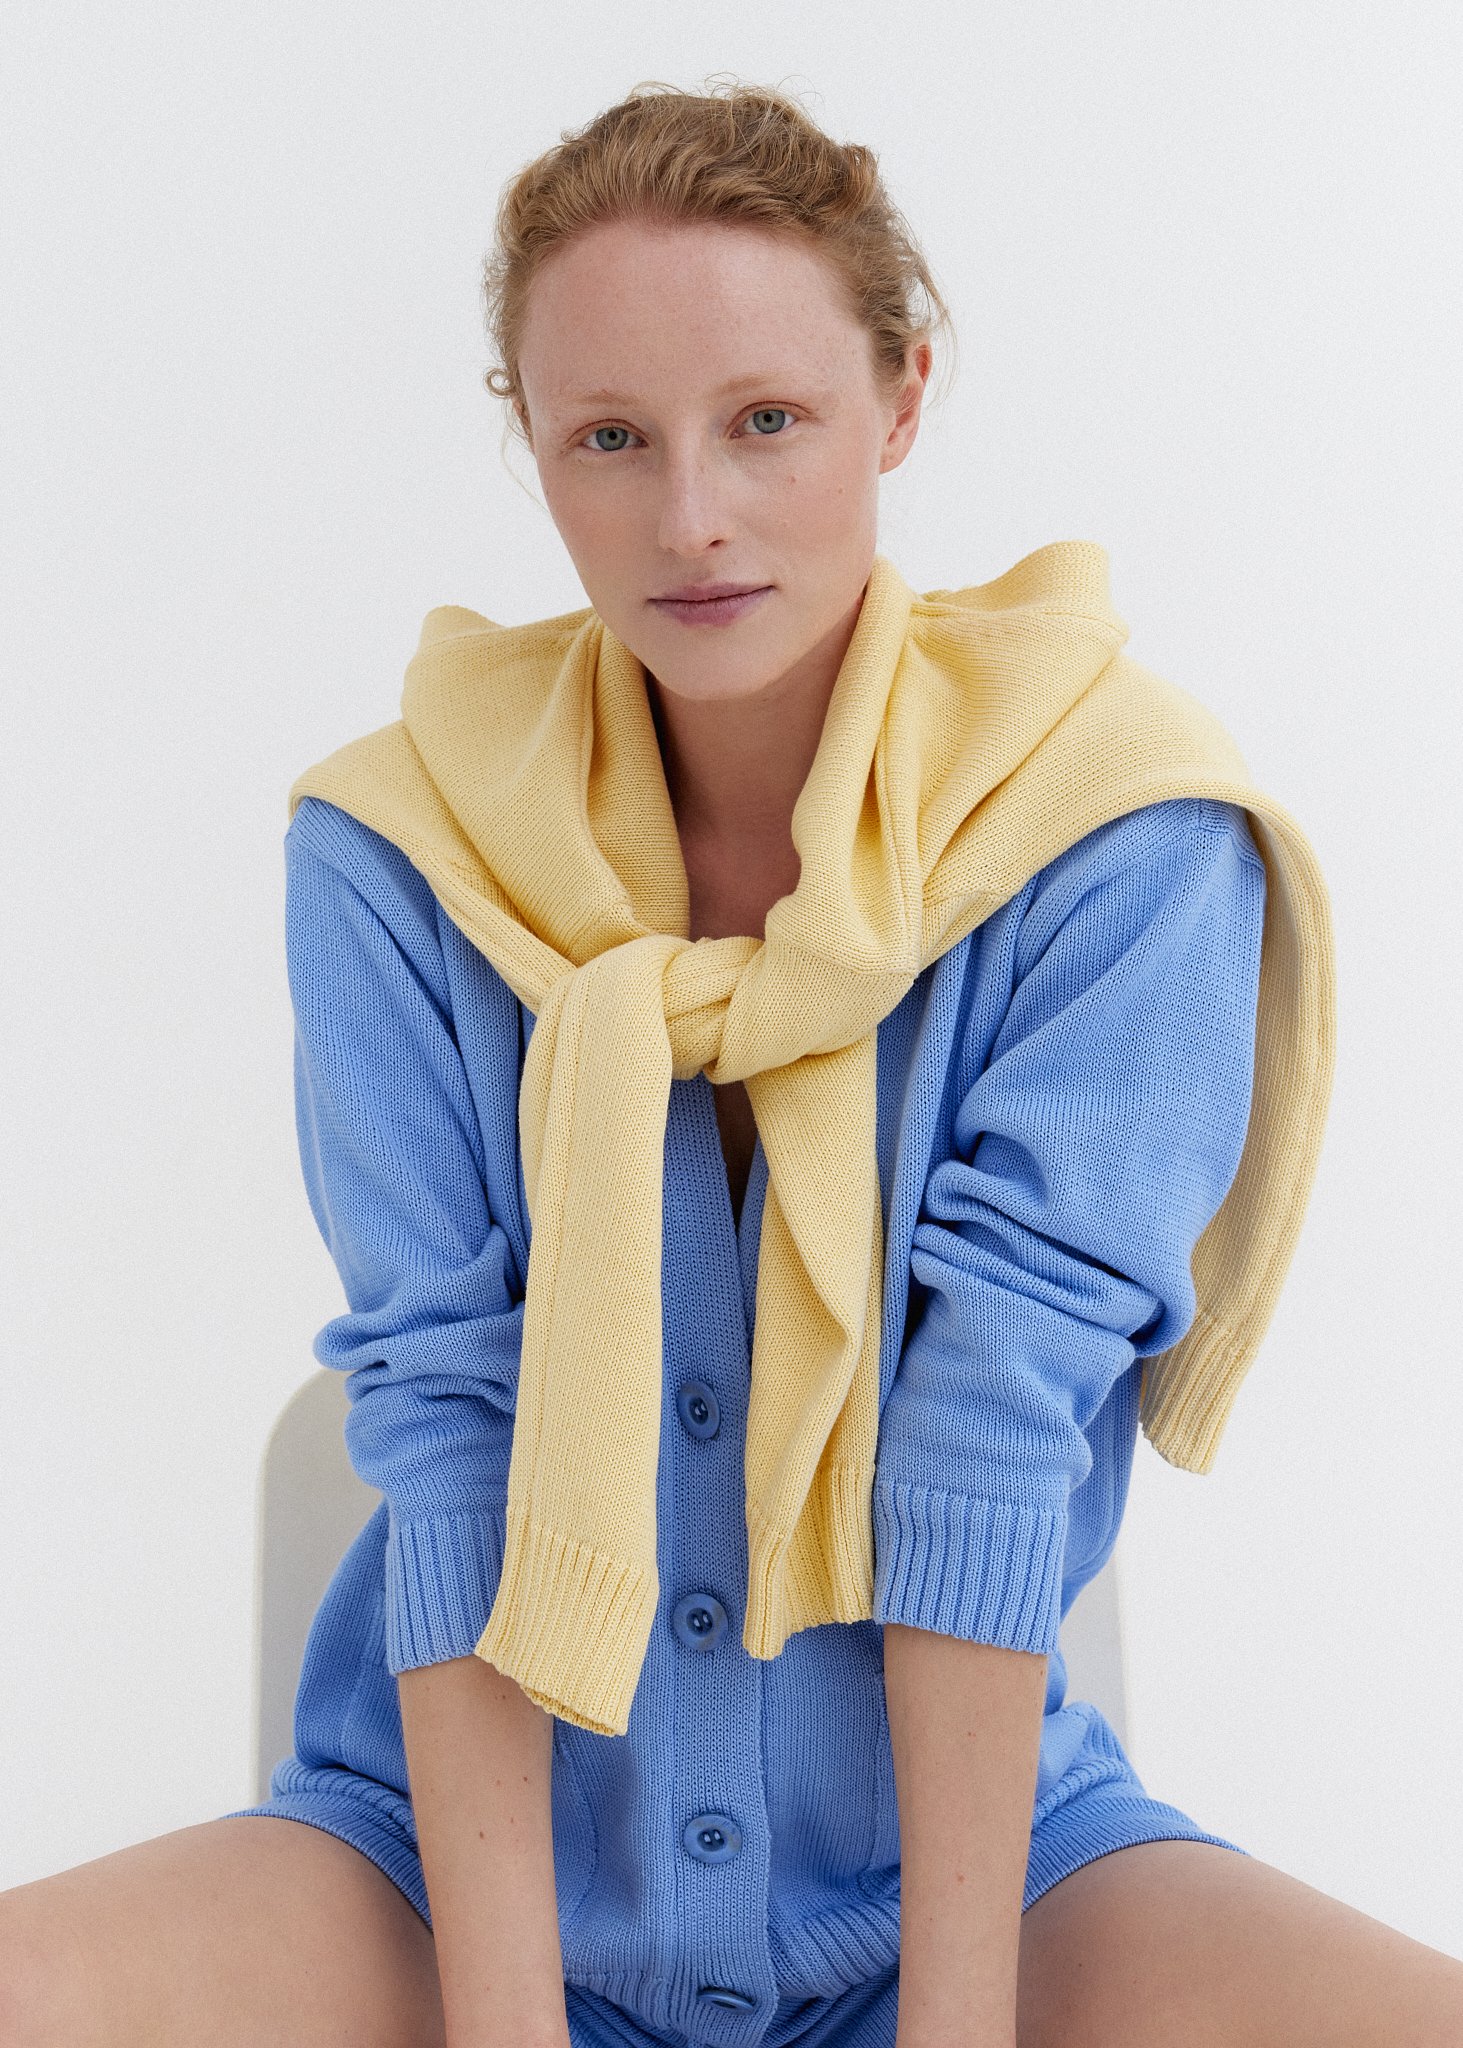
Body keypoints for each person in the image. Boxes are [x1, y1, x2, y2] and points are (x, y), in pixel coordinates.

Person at [3, 76, 1460, 2048]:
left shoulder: (1111, 828)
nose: (690, 516)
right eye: (610, 437)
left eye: (766, 419)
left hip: (977, 1888)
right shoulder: (403, 847)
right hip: (441, 1883)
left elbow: (993, 1438)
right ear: (535, 445)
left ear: (902, 400)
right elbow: (449, 1433)